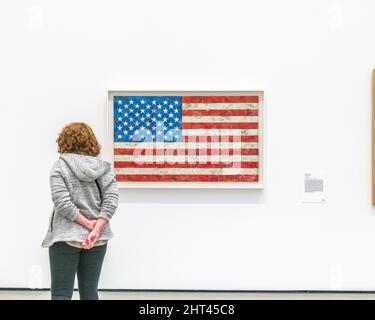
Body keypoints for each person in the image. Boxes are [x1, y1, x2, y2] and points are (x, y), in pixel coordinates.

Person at [42, 122, 119, 300]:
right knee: (90, 293)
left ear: (64, 141)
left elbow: (61, 201)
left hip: (65, 237)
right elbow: (111, 199)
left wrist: (85, 223)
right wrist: (96, 227)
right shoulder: (104, 168)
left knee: (61, 294)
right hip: (98, 238)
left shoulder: (60, 166)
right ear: (91, 141)